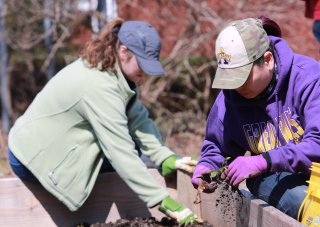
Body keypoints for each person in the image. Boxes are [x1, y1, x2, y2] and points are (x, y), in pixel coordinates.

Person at [8, 18, 199, 225]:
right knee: (128, 156)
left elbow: (138, 119)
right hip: (33, 156)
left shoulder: (117, 72)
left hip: (54, 143)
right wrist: (163, 201)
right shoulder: (99, 85)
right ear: (124, 52)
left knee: (134, 152)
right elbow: (120, 152)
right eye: (142, 64)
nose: (145, 73)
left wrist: (165, 157)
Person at [191, 17, 320, 219]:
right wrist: (207, 165)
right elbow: (217, 146)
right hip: (286, 181)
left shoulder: (309, 79)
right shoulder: (229, 98)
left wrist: (264, 160)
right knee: (260, 180)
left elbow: (317, 144)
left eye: (242, 77)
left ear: (267, 60)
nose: (236, 86)